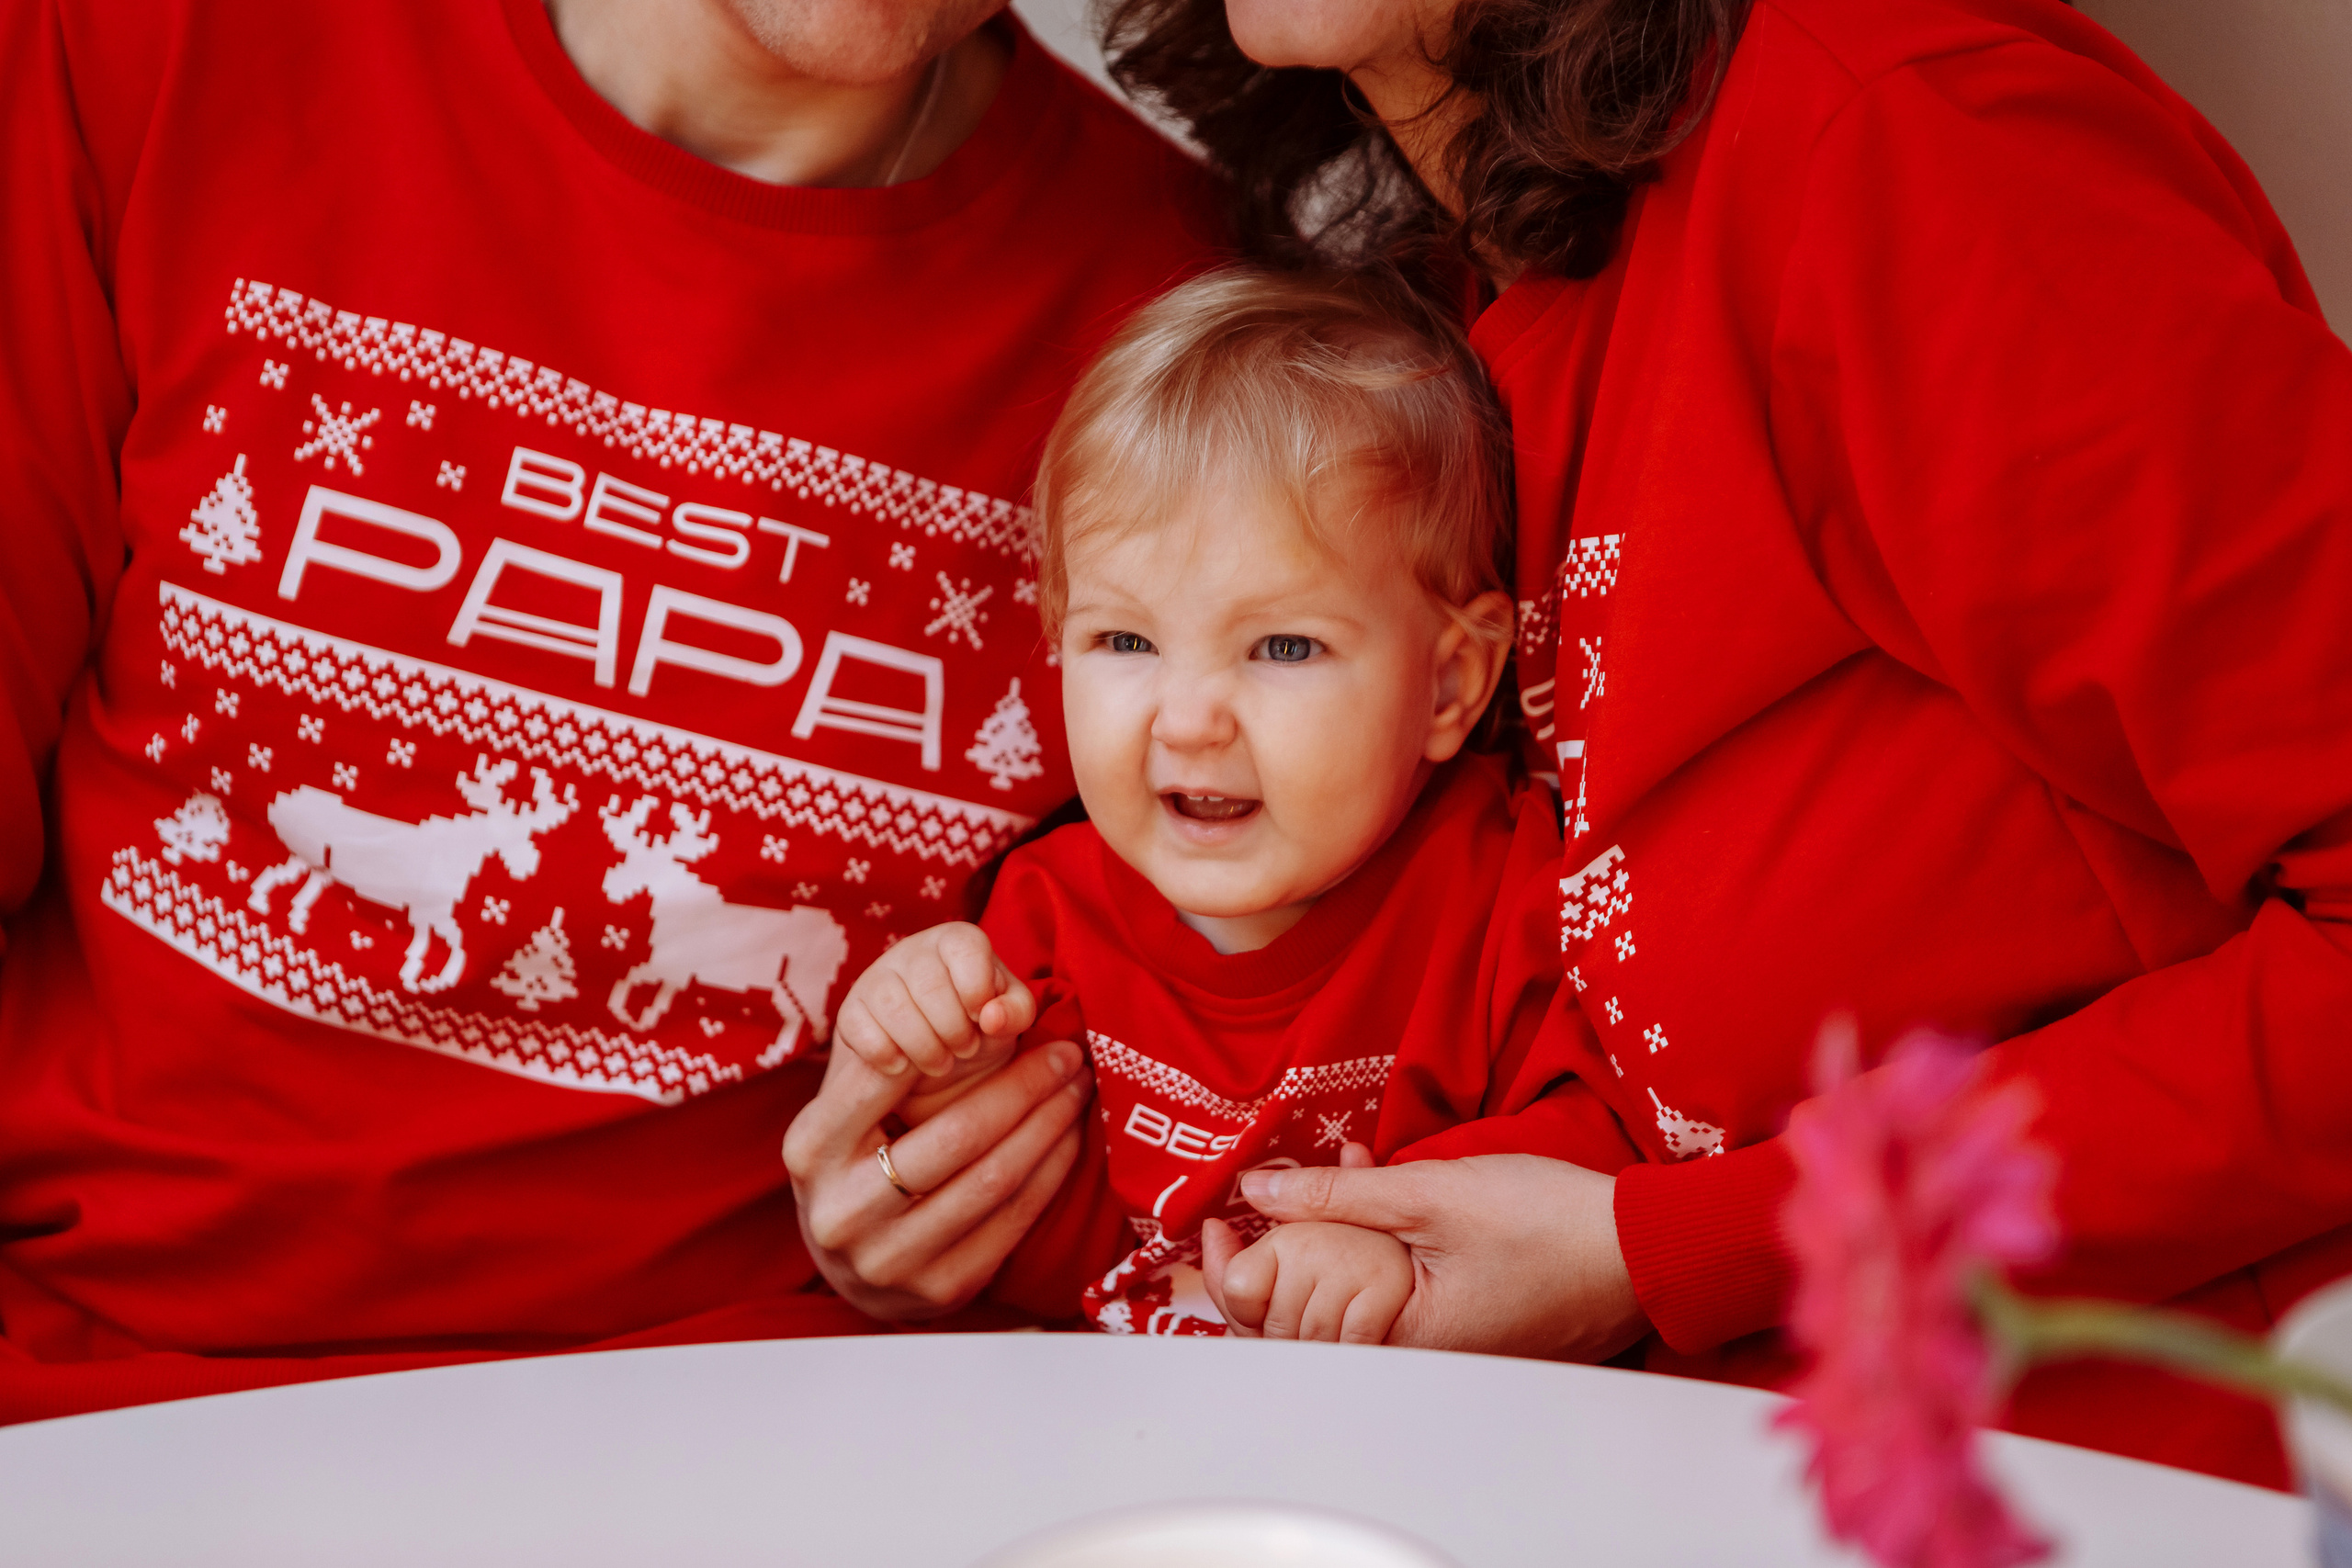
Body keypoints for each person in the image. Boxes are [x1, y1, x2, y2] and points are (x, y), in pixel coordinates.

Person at [820, 0, 2352, 1491]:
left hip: (2136, 1482)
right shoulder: (1447, 301)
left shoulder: (1901, 152)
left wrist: (1667, 1246)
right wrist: (975, 1191)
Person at [0, 0, 1223, 1423]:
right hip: (110, 1401)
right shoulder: (152, 44)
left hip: (793, 1435)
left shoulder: (1197, 329)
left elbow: (1217, 1053)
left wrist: (978, 1209)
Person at [811, 267, 1644, 1340]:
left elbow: (1600, 1148)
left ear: (1449, 682)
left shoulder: (1501, 893)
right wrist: (928, 1075)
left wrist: (1391, 1245)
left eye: (1283, 646)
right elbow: (1021, 1248)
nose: (1190, 719)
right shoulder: (1044, 920)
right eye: (1125, 641)